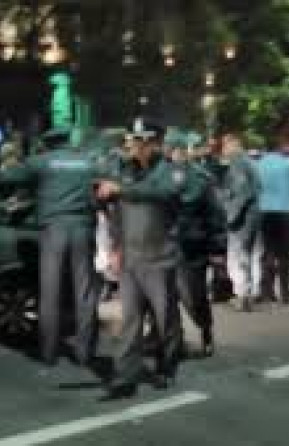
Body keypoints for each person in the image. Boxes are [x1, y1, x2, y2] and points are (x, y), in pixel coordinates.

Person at [0, 128, 101, 367]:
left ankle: (49, 352)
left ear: (47, 144)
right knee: (84, 292)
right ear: (67, 141)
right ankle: (84, 352)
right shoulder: (87, 162)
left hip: (52, 229)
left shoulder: (39, 163)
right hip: (83, 228)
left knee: (50, 291)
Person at [96, 121, 186, 401]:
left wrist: (121, 189)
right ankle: (125, 377)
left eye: (139, 141)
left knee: (165, 318)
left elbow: (162, 193)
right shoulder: (125, 170)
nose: (133, 146)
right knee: (130, 320)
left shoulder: (171, 171)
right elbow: (118, 213)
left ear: (154, 143)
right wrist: (115, 247)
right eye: (132, 140)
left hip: (160, 257)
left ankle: (167, 366)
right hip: (131, 257)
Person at [168, 143, 225, 356]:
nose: (177, 153)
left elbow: (215, 215)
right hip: (163, 245)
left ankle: (205, 331)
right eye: (173, 149)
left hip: (192, 246)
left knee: (193, 296)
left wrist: (217, 248)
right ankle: (171, 340)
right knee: (165, 296)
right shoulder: (159, 176)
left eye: (181, 149)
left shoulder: (201, 179)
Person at [254, 139, 289, 305]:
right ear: (279, 149)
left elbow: (254, 189)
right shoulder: (288, 165)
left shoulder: (258, 165)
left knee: (267, 253)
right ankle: (284, 294)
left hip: (264, 212)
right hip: (284, 213)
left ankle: (266, 292)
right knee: (284, 255)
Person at [221, 132, 262, 311]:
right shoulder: (250, 163)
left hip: (242, 218)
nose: (223, 150)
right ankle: (249, 294)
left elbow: (242, 192)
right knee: (250, 255)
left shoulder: (238, 163)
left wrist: (231, 217)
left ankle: (242, 295)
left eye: (225, 146)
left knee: (238, 257)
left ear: (234, 145)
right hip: (253, 215)